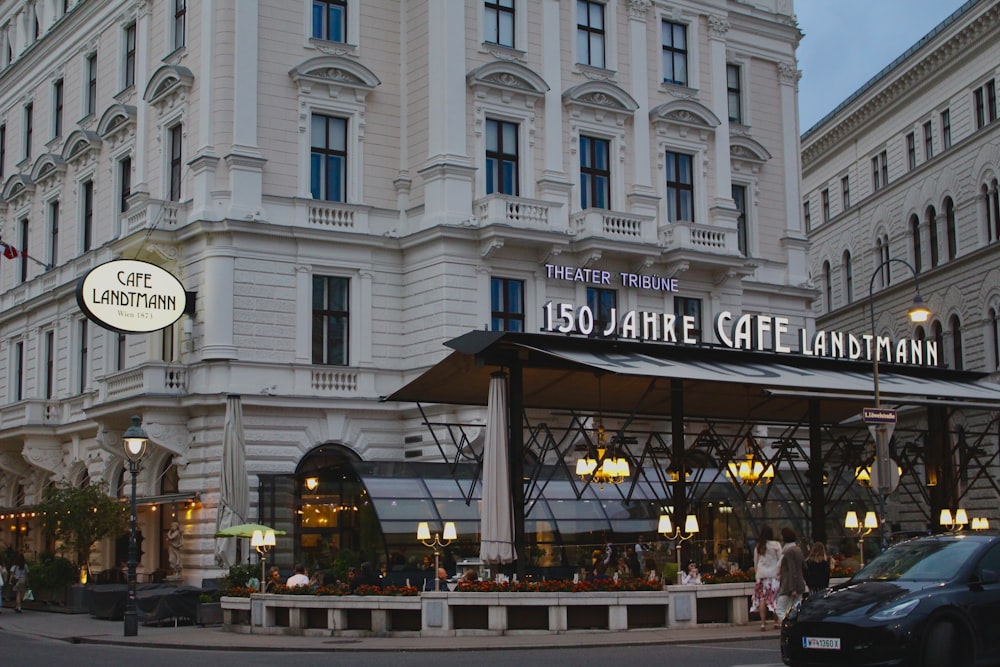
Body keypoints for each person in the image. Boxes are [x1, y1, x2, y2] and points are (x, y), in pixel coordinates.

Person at [750, 525, 782, 631]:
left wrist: (757, 574)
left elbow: (755, 562)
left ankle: (763, 623)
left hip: (761, 575)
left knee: (762, 599)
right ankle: (776, 622)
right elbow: (780, 560)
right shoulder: (776, 545)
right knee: (774, 599)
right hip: (774, 575)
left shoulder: (759, 546)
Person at [775, 527, 807, 626]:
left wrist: (792, 588)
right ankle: (795, 625)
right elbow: (804, 566)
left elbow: (791, 570)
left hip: (789, 585)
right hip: (800, 584)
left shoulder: (788, 552)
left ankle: (788, 626)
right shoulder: (798, 549)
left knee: (780, 609)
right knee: (795, 609)